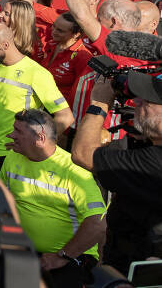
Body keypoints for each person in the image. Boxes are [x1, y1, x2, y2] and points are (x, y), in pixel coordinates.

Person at [0, 109, 106, 286]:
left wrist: (62, 255)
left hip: (70, 255)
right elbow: (0, 200)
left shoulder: (75, 171)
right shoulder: (13, 157)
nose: (11, 135)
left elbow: (98, 224)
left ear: (40, 138)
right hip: (25, 252)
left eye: (18, 131)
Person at [71, 70, 162, 274]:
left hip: (135, 270)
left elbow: (82, 154)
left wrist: (99, 103)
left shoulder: (153, 161)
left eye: (148, 100)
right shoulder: (146, 147)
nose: (136, 101)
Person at [0, 23, 74, 171]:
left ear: (5, 44)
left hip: (15, 155)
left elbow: (65, 117)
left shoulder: (37, 73)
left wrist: (36, 144)